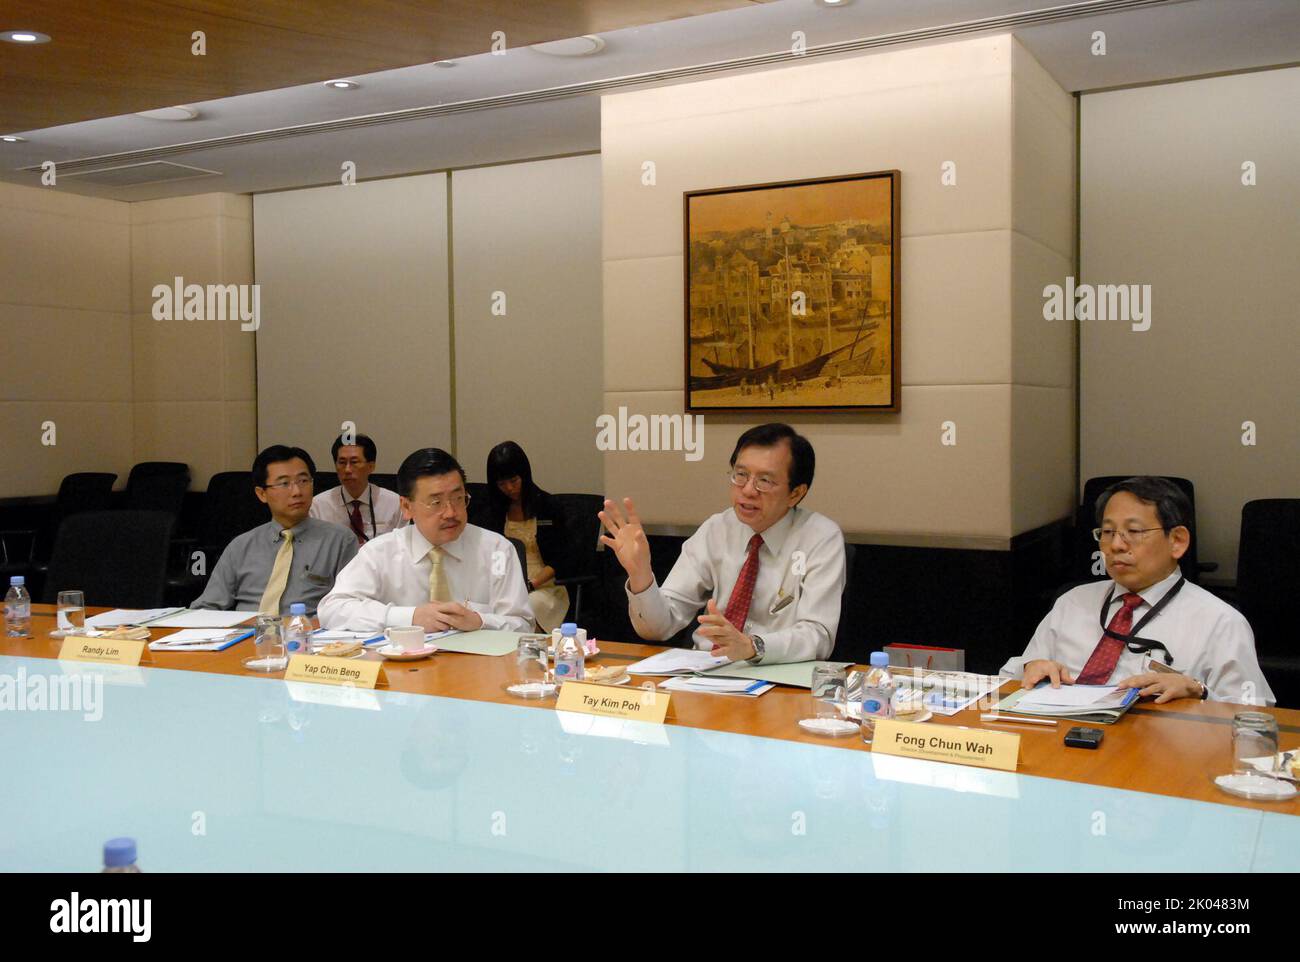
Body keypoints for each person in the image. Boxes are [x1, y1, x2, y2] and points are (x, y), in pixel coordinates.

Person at [1002, 476, 1275, 705]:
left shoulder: (1221, 622)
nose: (1117, 545)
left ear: (1177, 541)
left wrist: (1199, 691)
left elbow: (1253, 717)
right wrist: (1029, 669)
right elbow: (1006, 679)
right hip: (1061, 747)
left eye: (1133, 531)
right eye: (1107, 532)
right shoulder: (1073, 603)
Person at [600, 422, 846, 664]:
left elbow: (819, 636)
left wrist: (752, 647)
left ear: (796, 493)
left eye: (765, 480)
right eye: (741, 475)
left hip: (778, 678)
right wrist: (641, 574)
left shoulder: (821, 538)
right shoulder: (716, 529)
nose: (748, 490)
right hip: (705, 673)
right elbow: (659, 628)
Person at [318, 447, 532, 634]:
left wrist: (480, 621)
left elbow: (522, 624)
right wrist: (408, 618)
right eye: (436, 502)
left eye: (458, 498)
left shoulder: (496, 551)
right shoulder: (380, 553)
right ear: (406, 507)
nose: (451, 513)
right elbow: (332, 609)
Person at [191, 445, 358, 615]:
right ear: (261, 494)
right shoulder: (241, 546)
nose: (297, 491)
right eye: (284, 483)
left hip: (308, 635)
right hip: (246, 635)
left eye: (303, 481)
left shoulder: (340, 541)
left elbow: (350, 606)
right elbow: (208, 606)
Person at [483, 441, 571, 633]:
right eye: (501, 484)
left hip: (544, 586)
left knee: (528, 605)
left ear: (524, 475)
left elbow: (561, 559)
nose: (509, 488)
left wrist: (530, 584)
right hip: (505, 584)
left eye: (513, 481)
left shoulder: (548, 506)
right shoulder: (494, 513)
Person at [309, 432, 405, 545]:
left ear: (371, 466)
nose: (347, 470)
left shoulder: (394, 503)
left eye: (354, 462)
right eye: (342, 462)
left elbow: (403, 548)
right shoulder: (318, 505)